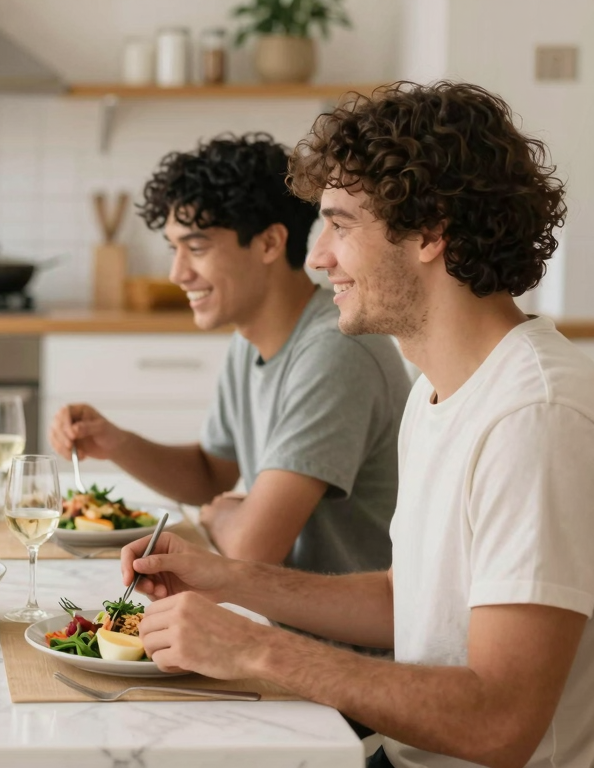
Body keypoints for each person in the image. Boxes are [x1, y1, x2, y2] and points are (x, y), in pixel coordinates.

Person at [125, 81, 593, 768]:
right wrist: (219, 579)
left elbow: (502, 722)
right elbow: (403, 599)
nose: (318, 258)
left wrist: (255, 646)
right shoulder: (440, 390)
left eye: (341, 225)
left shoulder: (534, 416)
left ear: (432, 231)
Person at [50, 133, 410, 573]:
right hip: (277, 614)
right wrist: (116, 443)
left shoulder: (336, 350)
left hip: (336, 639)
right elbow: (210, 474)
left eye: (196, 248)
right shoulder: (249, 338)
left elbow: (250, 550)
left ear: (269, 244)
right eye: (174, 249)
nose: (177, 273)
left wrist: (220, 517)